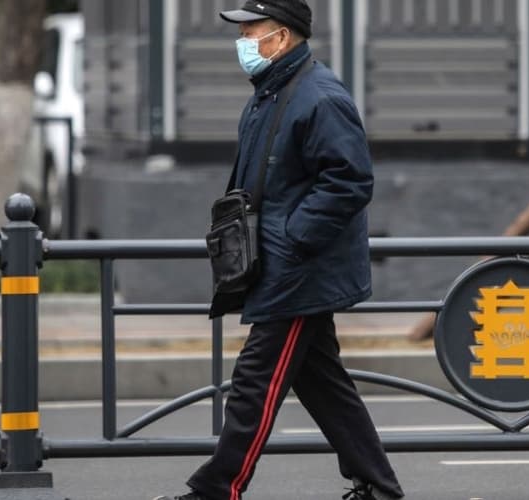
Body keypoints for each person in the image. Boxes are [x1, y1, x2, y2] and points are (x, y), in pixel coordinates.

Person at [153, 1, 404, 499]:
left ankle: (216, 490)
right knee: (322, 383)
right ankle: (379, 487)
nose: (243, 41)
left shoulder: (319, 96)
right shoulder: (273, 92)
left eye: (252, 30)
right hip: (281, 264)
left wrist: (293, 237)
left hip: (299, 269)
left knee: (254, 382)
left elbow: (351, 179)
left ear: (283, 37)